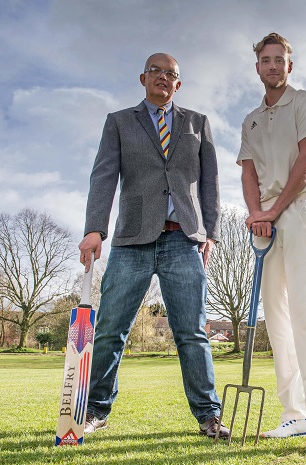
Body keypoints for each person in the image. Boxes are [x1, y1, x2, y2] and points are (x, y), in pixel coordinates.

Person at [78, 52, 228, 439]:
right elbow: (104, 176)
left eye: (172, 74)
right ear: (142, 78)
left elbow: (210, 182)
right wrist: (95, 227)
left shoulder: (197, 123)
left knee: (193, 332)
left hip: (183, 238)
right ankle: (96, 410)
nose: (164, 77)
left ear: (178, 84)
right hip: (132, 240)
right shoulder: (118, 123)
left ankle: (209, 416)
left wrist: (210, 232)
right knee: (111, 328)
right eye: (157, 72)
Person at [237, 32, 306, 453]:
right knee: (277, 320)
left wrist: (274, 209)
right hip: (266, 221)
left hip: (301, 212)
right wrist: (256, 215)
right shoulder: (250, 120)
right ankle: (294, 415)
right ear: (258, 67)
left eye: (280, 59)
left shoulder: (305, 102)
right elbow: (248, 173)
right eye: (266, 60)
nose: (273, 65)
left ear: (289, 66)